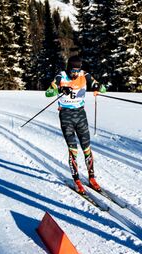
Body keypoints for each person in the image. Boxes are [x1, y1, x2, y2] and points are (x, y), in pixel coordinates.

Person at [45, 55, 107, 194]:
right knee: (73, 149)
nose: (75, 74)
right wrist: (60, 90)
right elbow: (48, 93)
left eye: (77, 71)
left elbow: (103, 89)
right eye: (72, 71)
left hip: (80, 115)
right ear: (68, 69)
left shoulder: (85, 75)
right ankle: (77, 179)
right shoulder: (61, 76)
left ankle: (92, 178)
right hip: (66, 116)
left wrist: (98, 86)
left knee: (87, 148)